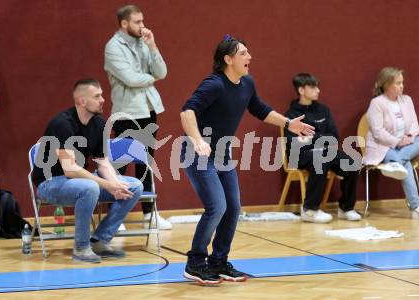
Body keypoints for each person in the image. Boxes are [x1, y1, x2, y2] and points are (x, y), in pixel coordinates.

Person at [179, 35, 315, 285]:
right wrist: (198, 140)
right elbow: (187, 111)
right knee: (217, 207)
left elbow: (259, 109)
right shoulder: (214, 84)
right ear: (228, 59)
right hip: (196, 153)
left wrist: (288, 123)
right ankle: (195, 263)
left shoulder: (246, 83)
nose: (249, 57)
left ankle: (218, 262)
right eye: (243, 53)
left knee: (233, 208)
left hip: (222, 155)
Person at [31, 79, 143, 263]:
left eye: (102, 95)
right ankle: (81, 248)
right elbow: (70, 169)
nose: (103, 100)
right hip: (50, 182)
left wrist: (115, 183)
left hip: (77, 180)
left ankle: (100, 240)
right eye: (97, 96)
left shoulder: (98, 124)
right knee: (89, 187)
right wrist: (107, 184)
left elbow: (102, 162)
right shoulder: (62, 124)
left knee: (134, 186)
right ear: (82, 101)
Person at [104, 4, 172, 230]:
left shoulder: (144, 42)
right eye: (137, 22)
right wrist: (150, 77)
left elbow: (162, 73)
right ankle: (116, 214)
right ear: (124, 24)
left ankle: (149, 214)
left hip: (149, 108)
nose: (143, 26)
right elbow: (130, 79)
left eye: (142, 21)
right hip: (127, 111)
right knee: (121, 163)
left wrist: (152, 46)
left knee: (146, 163)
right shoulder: (113, 47)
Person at [284, 73, 361, 223]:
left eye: (318, 87)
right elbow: (294, 143)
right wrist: (320, 140)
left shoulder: (323, 110)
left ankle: (346, 208)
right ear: (301, 90)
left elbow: (333, 138)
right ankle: (310, 209)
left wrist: (313, 138)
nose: (318, 90)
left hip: (326, 151)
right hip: (300, 156)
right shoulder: (291, 114)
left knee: (353, 163)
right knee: (320, 158)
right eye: (313, 87)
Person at [363, 67, 419, 218]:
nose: (402, 86)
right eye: (398, 83)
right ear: (386, 84)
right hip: (383, 146)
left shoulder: (407, 100)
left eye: (402, 82)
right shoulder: (377, 103)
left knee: (403, 158)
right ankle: (416, 207)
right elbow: (378, 132)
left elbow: (414, 124)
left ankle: (396, 162)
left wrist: (409, 137)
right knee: (405, 164)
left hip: (407, 144)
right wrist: (397, 141)